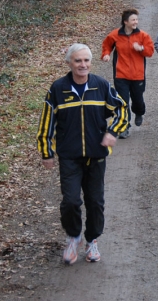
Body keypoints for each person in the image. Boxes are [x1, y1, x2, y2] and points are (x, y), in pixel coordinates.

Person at [37, 43, 129, 265]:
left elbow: (122, 108)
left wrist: (112, 132)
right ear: (69, 63)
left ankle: (92, 240)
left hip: (96, 154)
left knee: (95, 201)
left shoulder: (101, 85)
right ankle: (73, 236)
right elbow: (46, 122)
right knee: (70, 201)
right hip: (69, 155)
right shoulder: (58, 89)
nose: (83, 65)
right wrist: (46, 151)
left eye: (86, 60)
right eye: (78, 60)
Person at [101, 8, 154, 138]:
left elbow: (150, 51)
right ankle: (125, 126)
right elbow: (106, 45)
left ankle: (139, 112)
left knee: (138, 99)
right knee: (123, 102)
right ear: (125, 22)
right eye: (133, 20)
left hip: (138, 74)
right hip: (121, 74)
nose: (136, 22)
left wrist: (141, 48)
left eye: (136, 19)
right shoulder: (115, 35)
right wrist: (106, 54)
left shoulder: (143, 35)